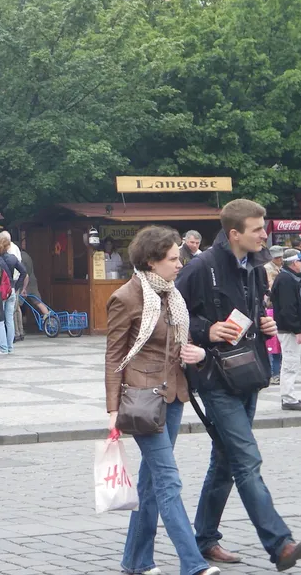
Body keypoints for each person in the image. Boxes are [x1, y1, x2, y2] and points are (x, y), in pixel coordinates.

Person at [176, 199, 301, 571]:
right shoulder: (201, 267)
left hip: (248, 373)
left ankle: (204, 539)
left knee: (225, 461)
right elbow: (171, 314)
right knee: (247, 461)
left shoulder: (253, 265)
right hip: (215, 378)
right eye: (257, 229)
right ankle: (280, 544)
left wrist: (264, 323)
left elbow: (249, 311)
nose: (264, 235)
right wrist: (206, 330)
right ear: (234, 233)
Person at [106, 227, 217, 575]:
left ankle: (136, 560)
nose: (180, 264)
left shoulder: (171, 294)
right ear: (151, 262)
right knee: (168, 480)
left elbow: (177, 341)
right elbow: (113, 358)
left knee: (151, 481)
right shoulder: (126, 297)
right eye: (172, 258)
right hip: (142, 400)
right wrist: (112, 410)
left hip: (174, 395)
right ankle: (193, 564)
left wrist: (193, 352)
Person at [271, 248, 301, 412]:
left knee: (291, 362)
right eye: (300, 261)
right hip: (288, 330)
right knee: (290, 363)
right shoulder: (287, 280)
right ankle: (288, 397)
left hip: (287, 328)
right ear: (294, 262)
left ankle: (289, 396)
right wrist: (297, 329)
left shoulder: (285, 277)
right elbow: (288, 309)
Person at [0, 235, 28, 355]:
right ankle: (10, 346)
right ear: (8, 246)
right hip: (11, 289)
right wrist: (16, 286)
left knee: (0, 320)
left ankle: (3, 347)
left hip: (1, 290)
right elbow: (23, 272)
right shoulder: (13, 258)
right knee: (9, 318)